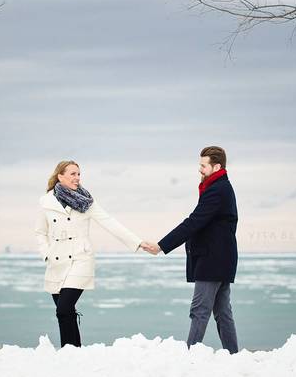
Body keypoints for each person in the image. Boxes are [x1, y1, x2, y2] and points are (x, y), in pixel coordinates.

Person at [35, 160, 149, 348]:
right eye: (73, 174)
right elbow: (40, 232)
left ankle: (71, 352)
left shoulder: (86, 202)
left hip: (81, 259)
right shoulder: (46, 202)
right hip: (56, 262)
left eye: (79, 174)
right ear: (60, 176)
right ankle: (72, 353)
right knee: (65, 312)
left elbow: (110, 222)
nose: (77, 178)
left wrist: (138, 242)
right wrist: (46, 253)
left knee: (63, 309)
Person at [142, 146, 239, 353]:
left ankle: (190, 355)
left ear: (217, 166)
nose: (200, 170)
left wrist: (161, 245)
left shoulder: (217, 190)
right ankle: (233, 355)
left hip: (213, 260)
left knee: (199, 310)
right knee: (222, 312)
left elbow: (194, 222)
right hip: (221, 259)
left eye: (203, 166)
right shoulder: (218, 187)